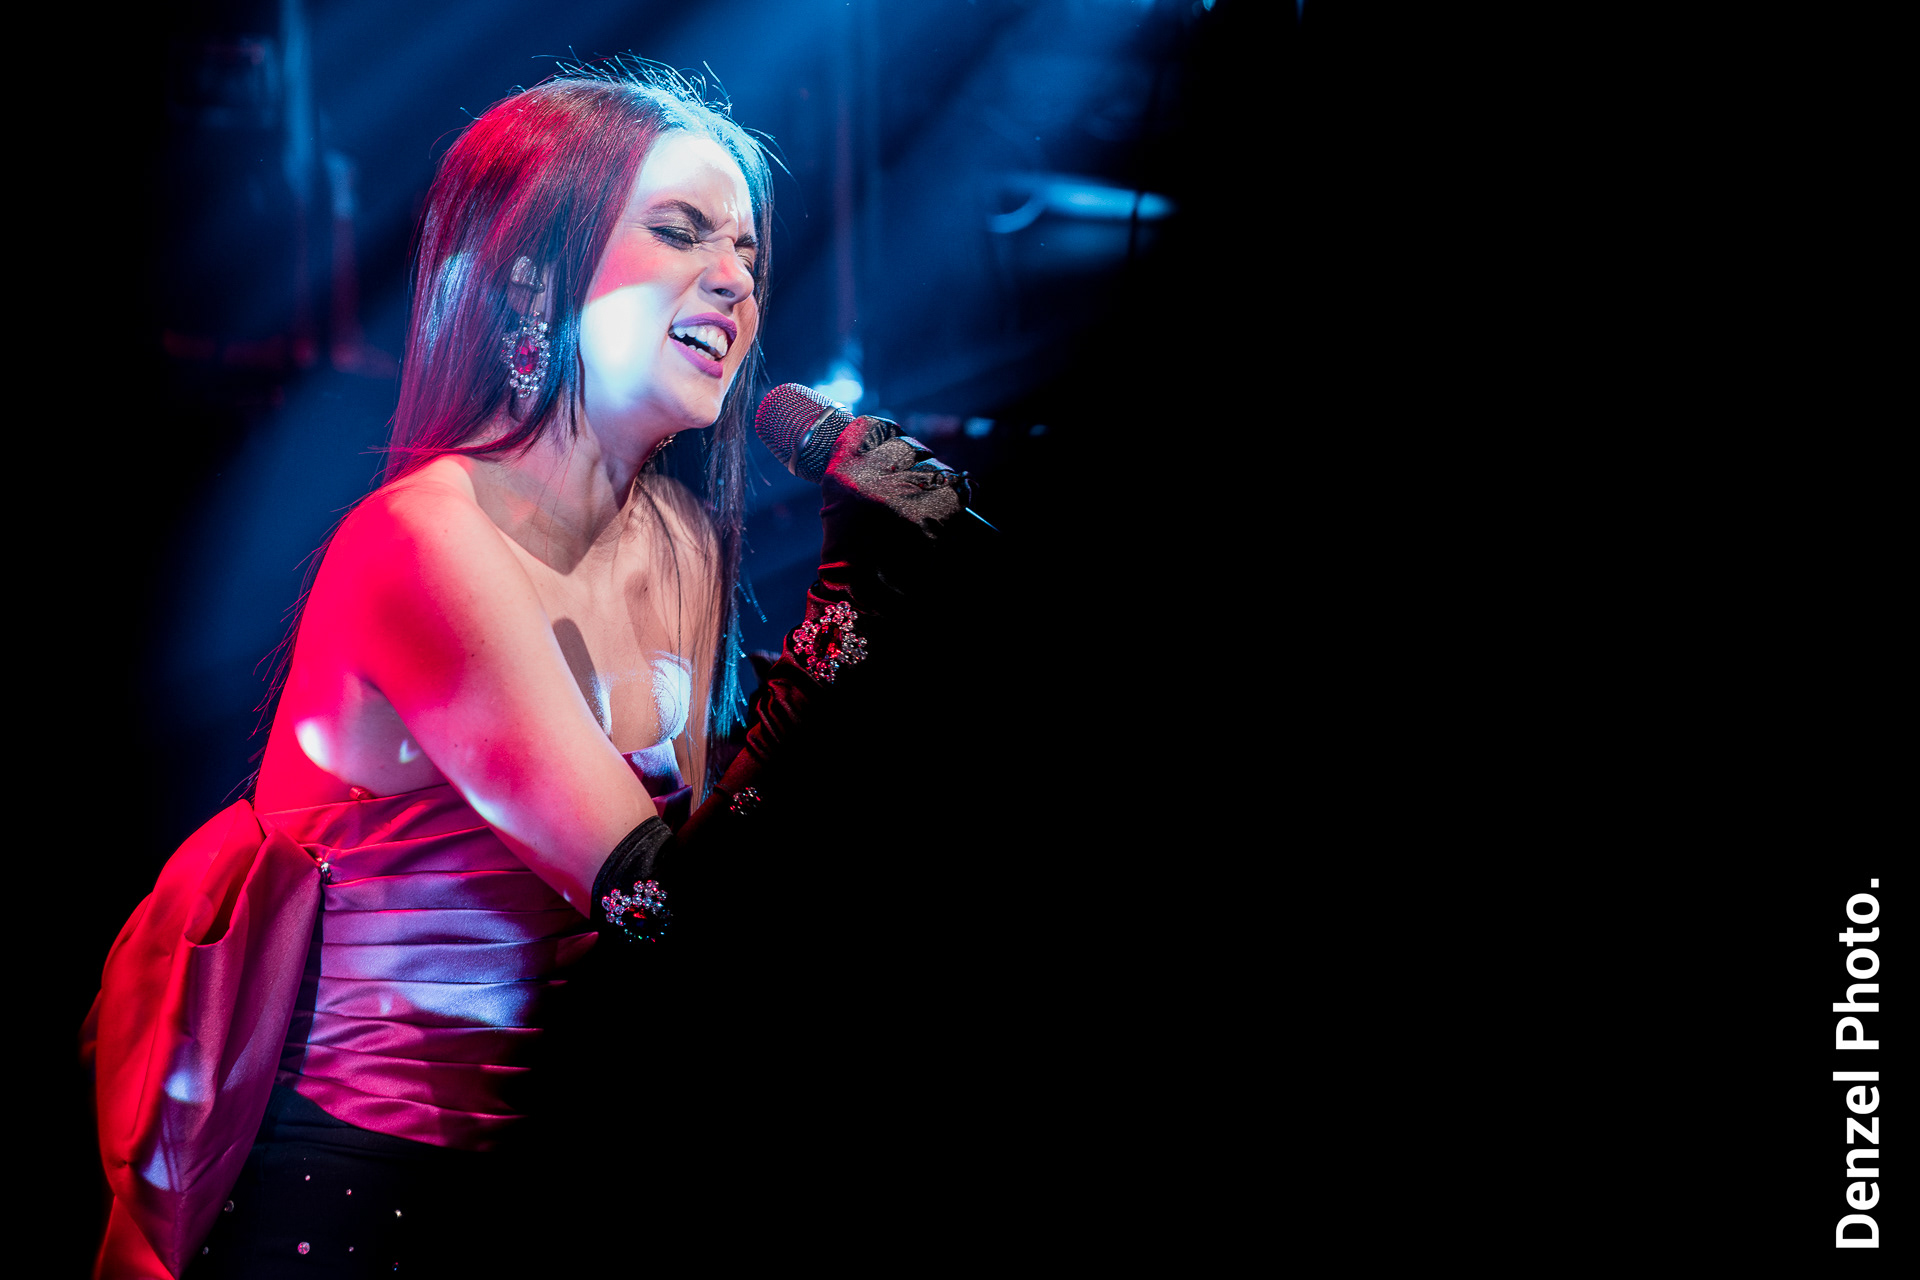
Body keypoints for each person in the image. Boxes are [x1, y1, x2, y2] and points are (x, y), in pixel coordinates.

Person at [90, 61, 976, 1278]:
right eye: (682, 232)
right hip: (354, 1198)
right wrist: (845, 622)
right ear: (533, 278)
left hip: (552, 1178)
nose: (736, 278)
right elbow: (660, 906)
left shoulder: (680, 540)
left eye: (748, 250)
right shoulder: (423, 544)